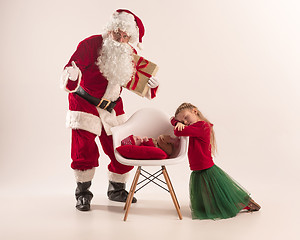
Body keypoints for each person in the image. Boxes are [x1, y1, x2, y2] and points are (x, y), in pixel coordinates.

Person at [60, 9, 159, 211]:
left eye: (125, 36)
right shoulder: (90, 45)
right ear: (111, 29)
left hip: (112, 108)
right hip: (84, 104)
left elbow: (133, 80)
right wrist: (72, 75)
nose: (120, 39)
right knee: (83, 150)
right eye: (118, 33)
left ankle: (116, 189)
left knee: (122, 147)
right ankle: (83, 194)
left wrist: (151, 86)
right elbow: (71, 70)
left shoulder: (128, 53)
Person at [171, 102, 261, 220]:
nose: (185, 123)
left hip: (205, 168)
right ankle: (237, 204)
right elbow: (172, 119)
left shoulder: (202, 126)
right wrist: (177, 122)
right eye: (183, 122)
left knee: (218, 195)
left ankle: (244, 202)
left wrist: (177, 124)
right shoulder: (194, 127)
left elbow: (178, 131)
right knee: (210, 198)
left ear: (195, 111)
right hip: (198, 168)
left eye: (186, 118)